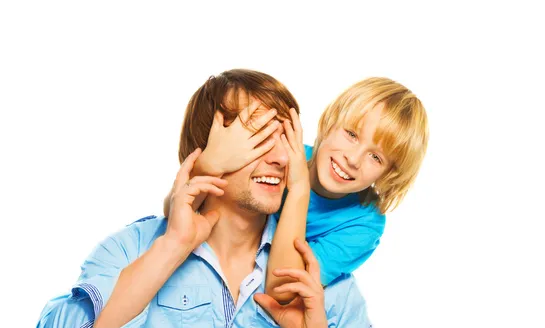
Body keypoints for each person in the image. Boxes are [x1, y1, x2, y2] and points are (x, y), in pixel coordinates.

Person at [35, 69, 398, 328]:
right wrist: (172, 248)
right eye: (258, 137)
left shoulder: (313, 272)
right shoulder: (140, 247)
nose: (281, 158)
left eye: (285, 139)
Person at [163, 74, 429, 304]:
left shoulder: (365, 224)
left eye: (376, 158)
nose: (353, 159)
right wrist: (208, 165)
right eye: (351, 134)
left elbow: (281, 289)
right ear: (330, 122)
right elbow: (173, 216)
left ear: (389, 174)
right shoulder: (282, 155)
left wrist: (300, 188)